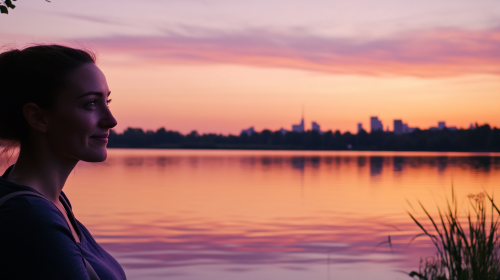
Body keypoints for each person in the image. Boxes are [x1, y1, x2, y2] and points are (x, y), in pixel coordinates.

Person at [0, 45, 126, 279]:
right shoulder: (31, 218)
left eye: (107, 101)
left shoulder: (53, 203)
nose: (111, 120)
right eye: (91, 103)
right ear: (38, 117)